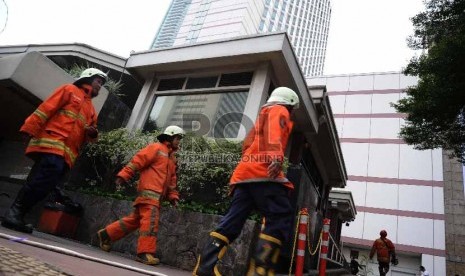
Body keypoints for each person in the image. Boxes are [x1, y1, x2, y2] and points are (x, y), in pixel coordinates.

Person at [193, 87, 300, 276]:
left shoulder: (261, 117)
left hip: (245, 176)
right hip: (263, 174)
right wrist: (275, 156)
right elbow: (274, 133)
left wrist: (249, 168)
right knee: (280, 215)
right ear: (290, 103)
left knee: (232, 222)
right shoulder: (279, 110)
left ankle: (204, 269)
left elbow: (246, 146)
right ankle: (261, 272)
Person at [1, 68, 107, 233]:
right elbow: (46, 108)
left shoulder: (91, 109)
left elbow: (90, 134)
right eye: (98, 81)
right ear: (88, 78)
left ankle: (17, 215)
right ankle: (15, 213)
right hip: (52, 142)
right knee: (45, 177)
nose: (100, 86)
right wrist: (29, 128)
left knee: (45, 183)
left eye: (102, 84)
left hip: (66, 153)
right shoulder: (69, 90)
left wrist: (93, 134)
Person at [97, 125, 184, 266]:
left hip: (155, 197)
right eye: (177, 138)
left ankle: (106, 234)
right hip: (149, 194)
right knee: (151, 222)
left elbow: (172, 180)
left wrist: (173, 196)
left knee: (135, 221)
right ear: (170, 136)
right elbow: (137, 161)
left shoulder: (172, 158)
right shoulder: (156, 148)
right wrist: (123, 175)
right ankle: (144, 253)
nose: (178, 141)